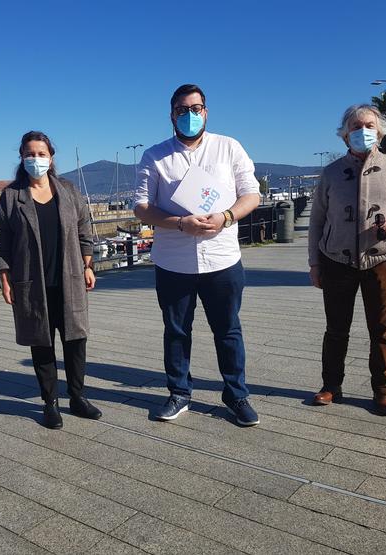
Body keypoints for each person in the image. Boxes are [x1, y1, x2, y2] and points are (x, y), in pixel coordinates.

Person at [134, 84, 262, 426]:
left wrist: (226, 217)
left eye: (197, 108)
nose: (190, 115)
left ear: (206, 111)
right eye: (182, 109)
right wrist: (178, 222)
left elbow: (251, 195)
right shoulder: (154, 156)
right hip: (174, 261)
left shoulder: (229, 147)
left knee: (228, 330)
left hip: (222, 259)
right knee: (176, 330)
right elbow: (142, 208)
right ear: (172, 114)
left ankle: (236, 395)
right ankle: (179, 393)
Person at [308, 104, 386, 415]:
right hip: (336, 261)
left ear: (380, 131)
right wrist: (314, 264)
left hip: (384, 260)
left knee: (382, 330)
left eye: (368, 126)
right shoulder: (331, 173)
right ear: (345, 135)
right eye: (356, 127)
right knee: (336, 329)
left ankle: (382, 391)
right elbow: (317, 222)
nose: (363, 132)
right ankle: (331, 386)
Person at [0, 131, 101, 429]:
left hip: (70, 279)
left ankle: (77, 397)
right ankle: (50, 402)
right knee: (41, 343)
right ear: (22, 157)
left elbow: (84, 228)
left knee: (76, 340)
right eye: (30, 153)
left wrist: (89, 264)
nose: (35, 159)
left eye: (41, 154)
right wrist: (4, 277)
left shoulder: (68, 190)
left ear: (51, 158)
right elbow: (1, 241)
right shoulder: (12, 196)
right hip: (32, 283)